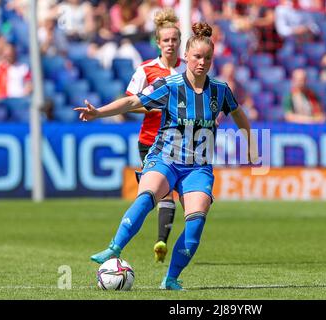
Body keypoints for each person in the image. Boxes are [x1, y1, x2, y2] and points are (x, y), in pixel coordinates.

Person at [74, 22, 254, 290]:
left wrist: (249, 140)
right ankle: (114, 248)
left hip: (198, 167)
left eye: (207, 58)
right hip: (165, 158)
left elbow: (238, 113)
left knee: (195, 222)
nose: (202, 63)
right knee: (148, 197)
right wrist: (99, 112)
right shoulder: (169, 85)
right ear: (187, 56)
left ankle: (170, 279)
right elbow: (134, 102)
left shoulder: (220, 90)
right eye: (196, 57)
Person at [124, 8, 186, 263]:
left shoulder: (189, 70)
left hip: (180, 142)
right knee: (158, 192)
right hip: (150, 140)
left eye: (174, 40)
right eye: (166, 40)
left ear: (179, 43)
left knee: (169, 192)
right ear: (158, 43)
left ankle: (161, 240)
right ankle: (159, 239)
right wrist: (152, 104)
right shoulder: (146, 70)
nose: (170, 44)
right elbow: (130, 103)